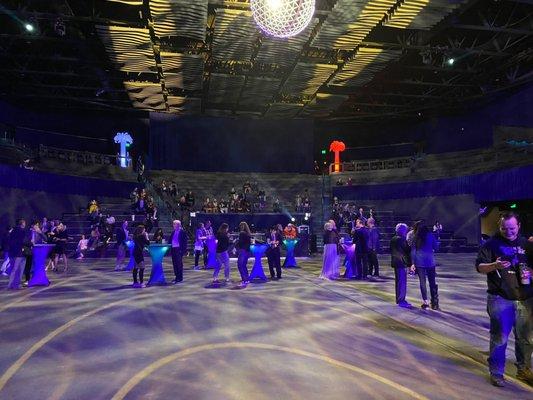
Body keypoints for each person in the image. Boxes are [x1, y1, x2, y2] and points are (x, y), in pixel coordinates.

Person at [475, 212, 533, 387]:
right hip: (500, 298)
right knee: (500, 338)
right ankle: (497, 372)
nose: (508, 232)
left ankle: (524, 370)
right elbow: (479, 267)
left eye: (512, 228)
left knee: (526, 339)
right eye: (504, 228)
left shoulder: (527, 245)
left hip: (526, 299)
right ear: (499, 227)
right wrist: (495, 265)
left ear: (519, 226)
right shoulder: (490, 244)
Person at [411, 224, 439, 310]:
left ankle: (425, 301)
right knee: (432, 282)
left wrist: (412, 263)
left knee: (422, 282)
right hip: (430, 262)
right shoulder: (431, 236)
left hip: (420, 263)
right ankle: (434, 302)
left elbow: (413, 251)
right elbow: (436, 247)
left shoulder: (416, 237)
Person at [390, 223, 412, 308]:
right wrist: (410, 264)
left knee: (398, 282)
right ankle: (401, 300)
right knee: (402, 282)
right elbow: (407, 251)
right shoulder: (402, 239)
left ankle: (399, 299)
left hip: (395, 262)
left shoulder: (393, 239)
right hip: (401, 263)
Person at [7, 219, 30, 290]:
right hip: (18, 253)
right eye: (25, 223)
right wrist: (31, 243)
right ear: (22, 223)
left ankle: (10, 284)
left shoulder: (12, 230)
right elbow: (24, 241)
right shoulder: (22, 231)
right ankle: (16, 285)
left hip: (11, 252)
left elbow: (9, 240)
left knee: (13, 269)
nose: (25, 224)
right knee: (18, 269)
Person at [236, 221, 251, 286]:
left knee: (240, 265)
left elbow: (241, 243)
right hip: (247, 251)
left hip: (242, 251)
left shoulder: (242, 233)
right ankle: (246, 279)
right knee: (244, 265)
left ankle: (244, 280)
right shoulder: (248, 234)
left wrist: (236, 242)